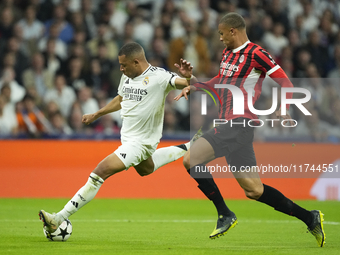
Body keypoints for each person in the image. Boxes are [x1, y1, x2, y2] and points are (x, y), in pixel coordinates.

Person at [174, 13, 325, 247]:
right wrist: (194, 85)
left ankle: (224, 213)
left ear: (233, 31)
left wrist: (283, 107)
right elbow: (219, 82)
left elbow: (286, 82)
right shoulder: (227, 54)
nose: (221, 38)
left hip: (239, 124)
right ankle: (310, 217)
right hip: (233, 128)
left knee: (190, 159)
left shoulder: (257, 54)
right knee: (254, 190)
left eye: (222, 34)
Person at [39, 42, 199, 233]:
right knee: (145, 169)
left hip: (141, 143)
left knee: (100, 171)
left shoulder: (160, 77)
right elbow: (121, 99)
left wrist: (189, 77)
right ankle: (191, 146)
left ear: (136, 62)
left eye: (124, 65)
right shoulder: (127, 76)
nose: (121, 69)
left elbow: (194, 83)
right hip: (128, 139)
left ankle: (58, 217)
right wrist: (96, 114)